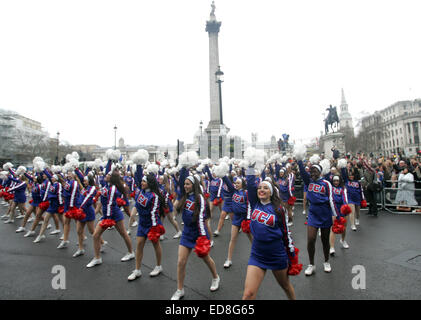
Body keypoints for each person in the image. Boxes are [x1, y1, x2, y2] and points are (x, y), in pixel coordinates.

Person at [242, 165, 296, 300]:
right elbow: (249, 183)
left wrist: (291, 256)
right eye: (260, 187)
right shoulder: (255, 203)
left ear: (271, 192)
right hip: (257, 253)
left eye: (265, 188)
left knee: (286, 286)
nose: (261, 190)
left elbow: (285, 233)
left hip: (276, 254)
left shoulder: (278, 209)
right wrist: (250, 165)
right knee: (248, 294)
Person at [171, 168, 220, 300]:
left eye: (188, 184)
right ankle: (180, 289)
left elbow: (201, 219)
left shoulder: (200, 199)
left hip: (199, 233)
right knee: (181, 262)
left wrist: (203, 238)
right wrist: (184, 168)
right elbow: (180, 182)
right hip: (187, 233)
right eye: (185, 184)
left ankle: (216, 277)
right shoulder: (184, 196)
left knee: (206, 259)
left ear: (194, 185)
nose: (185, 186)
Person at [297, 160, 339, 275]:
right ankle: (311, 264)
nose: (312, 173)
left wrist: (335, 215)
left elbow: (331, 199)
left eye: (315, 171)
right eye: (311, 171)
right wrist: (299, 160)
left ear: (320, 172)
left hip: (325, 213)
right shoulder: (308, 181)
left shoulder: (326, 183)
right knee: (311, 239)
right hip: (313, 213)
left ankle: (326, 261)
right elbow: (301, 171)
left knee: (325, 240)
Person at [86, 169, 135, 268]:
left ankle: (131, 252)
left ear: (111, 178)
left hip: (114, 214)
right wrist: (97, 212)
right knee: (96, 235)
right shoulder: (106, 186)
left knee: (123, 234)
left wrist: (107, 218)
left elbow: (110, 204)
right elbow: (102, 201)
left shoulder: (113, 189)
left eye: (108, 174)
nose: (106, 175)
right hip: (107, 214)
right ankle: (97, 258)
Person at [127, 170, 167, 281]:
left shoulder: (155, 196)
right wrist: (132, 216)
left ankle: (158, 266)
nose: (142, 183)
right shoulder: (141, 192)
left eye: (144, 182)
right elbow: (137, 205)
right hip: (142, 223)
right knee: (139, 245)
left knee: (156, 244)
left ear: (149, 183)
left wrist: (154, 228)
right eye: (142, 181)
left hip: (152, 224)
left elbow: (154, 212)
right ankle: (137, 270)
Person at [221, 175, 252, 268]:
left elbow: (249, 206)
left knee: (251, 238)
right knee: (232, 238)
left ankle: (259, 254)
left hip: (244, 218)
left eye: (238, 183)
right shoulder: (233, 191)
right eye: (235, 183)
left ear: (242, 184)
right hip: (236, 218)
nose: (236, 184)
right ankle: (229, 259)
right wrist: (222, 174)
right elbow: (227, 181)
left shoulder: (246, 193)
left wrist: (248, 219)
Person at [329, 175, 350, 254]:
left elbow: (345, 198)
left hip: (342, 208)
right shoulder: (330, 188)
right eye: (334, 181)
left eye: (337, 181)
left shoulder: (343, 188)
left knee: (344, 227)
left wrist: (345, 207)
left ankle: (343, 240)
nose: (336, 182)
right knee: (333, 228)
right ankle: (332, 247)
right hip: (333, 209)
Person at [340, 166, 365, 230]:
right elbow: (343, 174)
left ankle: (357, 219)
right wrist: (342, 166)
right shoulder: (346, 181)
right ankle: (352, 225)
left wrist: (363, 199)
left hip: (357, 198)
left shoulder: (357, 182)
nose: (351, 176)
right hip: (350, 198)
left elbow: (361, 190)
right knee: (352, 212)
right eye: (350, 175)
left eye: (352, 175)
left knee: (358, 212)